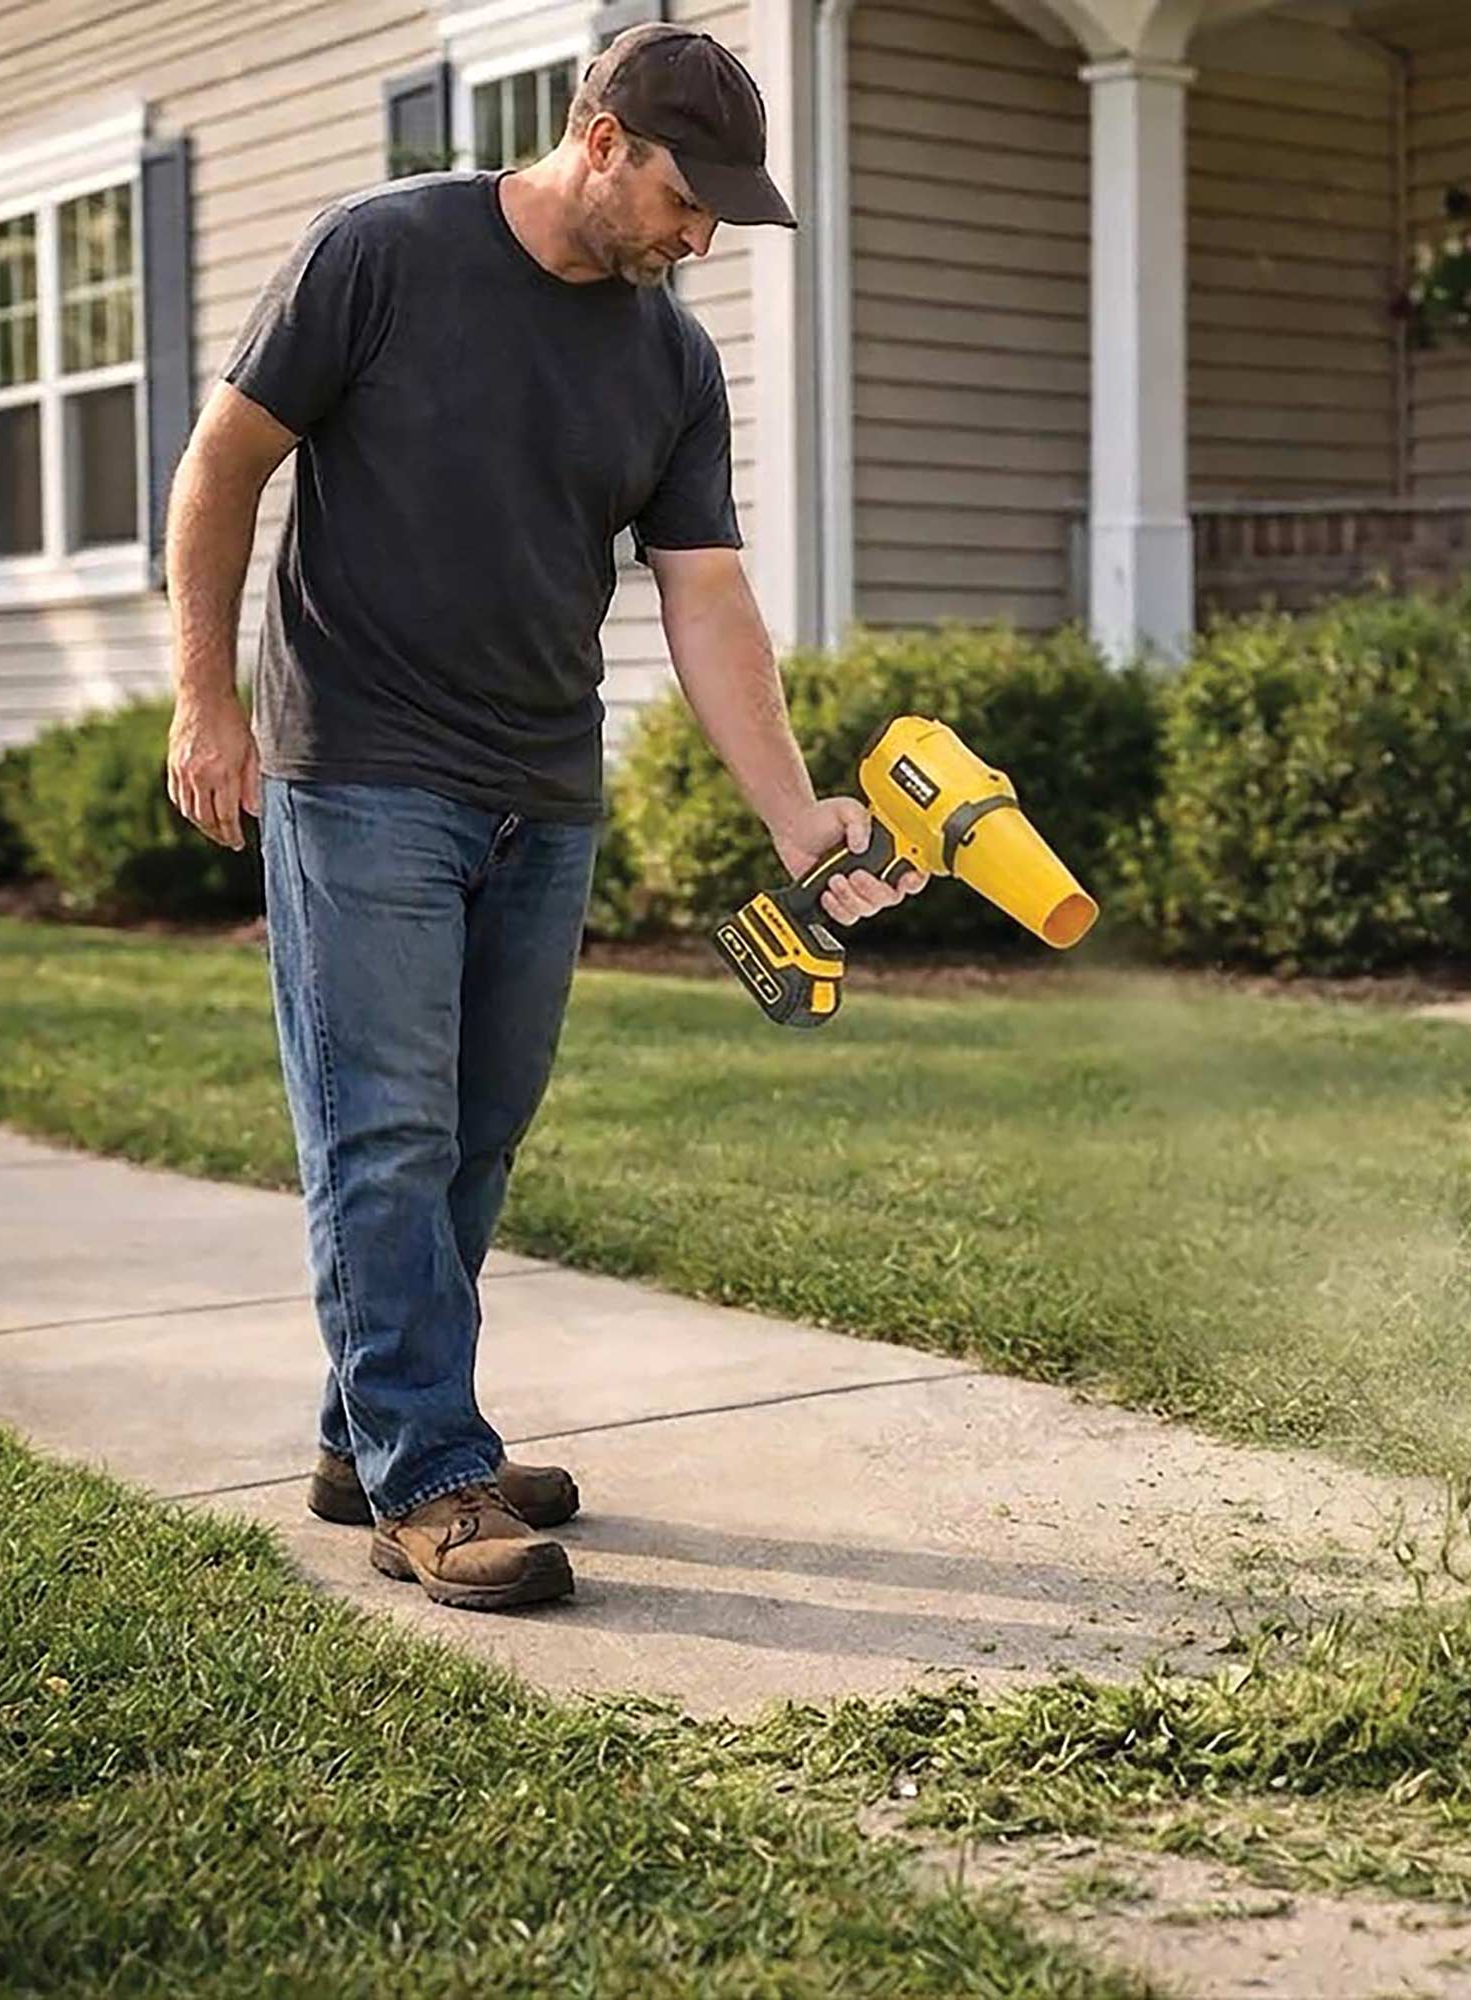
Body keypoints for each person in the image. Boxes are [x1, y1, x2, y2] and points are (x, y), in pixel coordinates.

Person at [162, 23, 924, 1614]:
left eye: (723, 210)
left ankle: (362, 1433)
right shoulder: (381, 254)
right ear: (599, 139)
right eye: (684, 194)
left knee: (479, 1138)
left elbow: (707, 599)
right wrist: (204, 699)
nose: (699, 233)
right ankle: (430, 1476)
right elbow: (221, 465)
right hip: (359, 765)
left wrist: (796, 816)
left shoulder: (670, 358)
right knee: (387, 1131)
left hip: (540, 786)